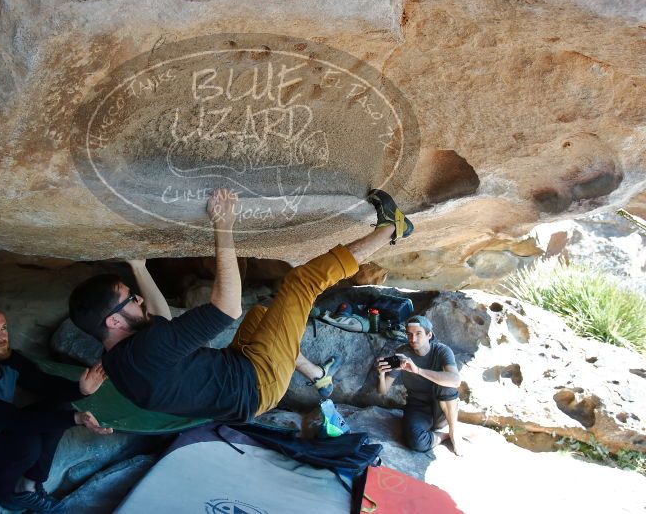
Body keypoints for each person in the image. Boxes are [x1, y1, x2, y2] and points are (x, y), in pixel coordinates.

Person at [69, 187, 413, 423]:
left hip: (239, 369)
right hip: (259, 382)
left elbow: (159, 316)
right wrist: (224, 225)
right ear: (113, 321)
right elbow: (226, 308)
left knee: (264, 316)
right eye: (130, 299)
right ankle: (393, 227)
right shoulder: (145, 351)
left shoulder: (117, 360)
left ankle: (315, 374)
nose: (138, 298)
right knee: (301, 284)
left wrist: (139, 268)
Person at [0, 304, 113, 514]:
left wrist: (81, 390)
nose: (2, 336)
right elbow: (15, 420)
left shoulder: (10, 361)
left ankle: (26, 488)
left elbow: (45, 385)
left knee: (57, 406)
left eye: (3, 328)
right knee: (26, 444)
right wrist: (75, 419)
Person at [375, 315, 462, 455]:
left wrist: (418, 371)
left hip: (442, 408)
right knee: (416, 442)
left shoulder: (441, 351)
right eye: (409, 334)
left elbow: (455, 381)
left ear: (429, 335)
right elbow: (382, 391)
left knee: (446, 383)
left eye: (418, 334)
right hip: (418, 408)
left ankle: (453, 431)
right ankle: (444, 435)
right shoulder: (403, 354)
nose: (413, 339)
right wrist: (380, 374)